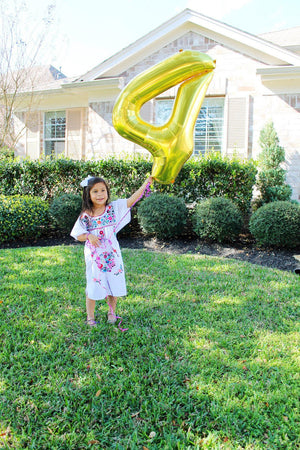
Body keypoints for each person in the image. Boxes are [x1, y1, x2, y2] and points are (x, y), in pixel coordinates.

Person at [70, 174, 153, 326]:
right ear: (88, 194)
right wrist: (88, 235)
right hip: (95, 258)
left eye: (103, 190)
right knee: (93, 284)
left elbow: (131, 200)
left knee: (113, 283)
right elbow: (77, 234)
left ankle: (111, 312)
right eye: (95, 191)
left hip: (112, 255)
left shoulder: (112, 209)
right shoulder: (86, 216)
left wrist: (146, 184)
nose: (100, 194)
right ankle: (90, 317)